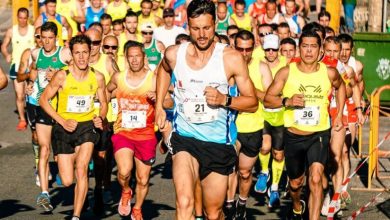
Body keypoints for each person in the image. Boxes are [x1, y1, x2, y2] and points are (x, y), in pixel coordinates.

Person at [155, 0, 258, 218]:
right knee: (184, 202)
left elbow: (252, 102)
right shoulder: (175, 54)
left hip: (217, 144)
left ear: (215, 25)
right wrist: (159, 106)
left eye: (207, 28)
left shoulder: (231, 58)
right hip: (185, 139)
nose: (201, 34)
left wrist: (224, 99)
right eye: (195, 28)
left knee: (214, 213)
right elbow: (163, 71)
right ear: (187, 26)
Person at [264, 30, 346, 219]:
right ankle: (296, 205)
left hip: (318, 133)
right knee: (295, 183)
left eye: (313, 47)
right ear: (299, 49)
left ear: (320, 51)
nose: (309, 51)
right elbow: (268, 100)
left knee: (316, 178)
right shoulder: (287, 72)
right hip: (293, 135)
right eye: (305, 46)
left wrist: (339, 114)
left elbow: (341, 86)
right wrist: (287, 101)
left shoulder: (329, 72)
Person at [39, 35, 107, 220]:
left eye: (85, 52)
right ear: (72, 54)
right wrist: (62, 121)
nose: (82, 57)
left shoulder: (98, 77)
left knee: (82, 169)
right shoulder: (62, 75)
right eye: (77, 53)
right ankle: (79, 191)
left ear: (91, 52)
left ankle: (76, 216)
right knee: (68, 180)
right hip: (63, 127)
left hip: (86, 126)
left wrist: (100, 117)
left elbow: (104, 103)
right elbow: (43, 100)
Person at [106, 40, 171, 219]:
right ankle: (126, 191)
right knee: (124, 171)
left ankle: (138, 208)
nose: (134, 60)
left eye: (138, 56)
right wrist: (105, 109)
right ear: (126, 59)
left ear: (144, 57)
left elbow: (170, 102)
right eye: (131, 57)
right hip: (123, 131)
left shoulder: (154, 79)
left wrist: (159, 97)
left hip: (146, 134)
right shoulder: (119, 77)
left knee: (143, 179)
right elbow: (106, 91)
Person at [29, 21, 72, 212]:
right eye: (43, 38)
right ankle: (45, 193)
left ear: (56, 38)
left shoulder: (64, 53)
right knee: (44, 147)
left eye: (50, 39)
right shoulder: (35, 54)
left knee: (66, 154)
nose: (46, 42)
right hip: (43, 107)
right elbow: (33, 74)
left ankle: (77, 183)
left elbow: (77, 76)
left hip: (62, 109)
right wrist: (31, 86)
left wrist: (59, 75)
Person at [232, 30, 273, 219]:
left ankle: (241, 203)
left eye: (248, 49)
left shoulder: (262, 68)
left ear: (253, 48)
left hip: (254, 127)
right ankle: (228, 205)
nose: (244, 53)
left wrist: (250, 92)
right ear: (234, 47)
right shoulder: (226, 65)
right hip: (230, 127)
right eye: (240, 49)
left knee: (245, 172)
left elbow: (271, 99)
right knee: (227, 169)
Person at [85, 28, 119, 215]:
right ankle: (85, 191)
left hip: (105, 117)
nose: (93, 47)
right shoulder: (79, 60)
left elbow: (119, 82)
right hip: (83, 116)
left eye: (97, 43)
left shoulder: (107, 61)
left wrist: (104, 94)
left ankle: (103, 187)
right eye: (89, 42)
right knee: (83, 159)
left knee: (103, 157)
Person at [255, 34, 287, 208]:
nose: (271, 52)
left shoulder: (286, 65)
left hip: (281, 115)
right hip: (263, 112)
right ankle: (264, 172)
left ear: (278, 49)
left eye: (274, 49)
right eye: (268, 49)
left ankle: (274, 187)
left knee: (279, 154)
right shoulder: (258, 62)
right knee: (265, 147)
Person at [338, 33, 364, 208]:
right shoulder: (333, 64)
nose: (344, 53)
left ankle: (343, 188)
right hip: (336, 107)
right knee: (337, 152)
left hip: (351, 107)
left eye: (347, 50)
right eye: (342, 49)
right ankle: (336, 186)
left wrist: (359, 103)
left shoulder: (357, 66)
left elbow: (359, 84)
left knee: (347, 149)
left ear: (351, 50)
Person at [17, 26, 43, 186]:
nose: (41, 39)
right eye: (38, 36)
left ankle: (54, 165)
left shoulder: (57, 54)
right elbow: (20, 77)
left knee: (54, 136)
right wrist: (30, 72)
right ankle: (39, 165)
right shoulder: (28, 53)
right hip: (33, 99)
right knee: (36, 135)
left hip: (52, 100)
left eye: (45, 36)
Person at [1, 7, 35, 131]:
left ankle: (34, 116)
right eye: (20, 18)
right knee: (20, 95)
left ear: (28, 18)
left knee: (31, 94)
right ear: (17, 17)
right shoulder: (11, 31)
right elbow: (4, 46)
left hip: (31, 66)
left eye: (24, 18)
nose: (22, 20)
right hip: (16, 66)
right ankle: (22, 119)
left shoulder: (33, 30)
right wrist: (6, 55)